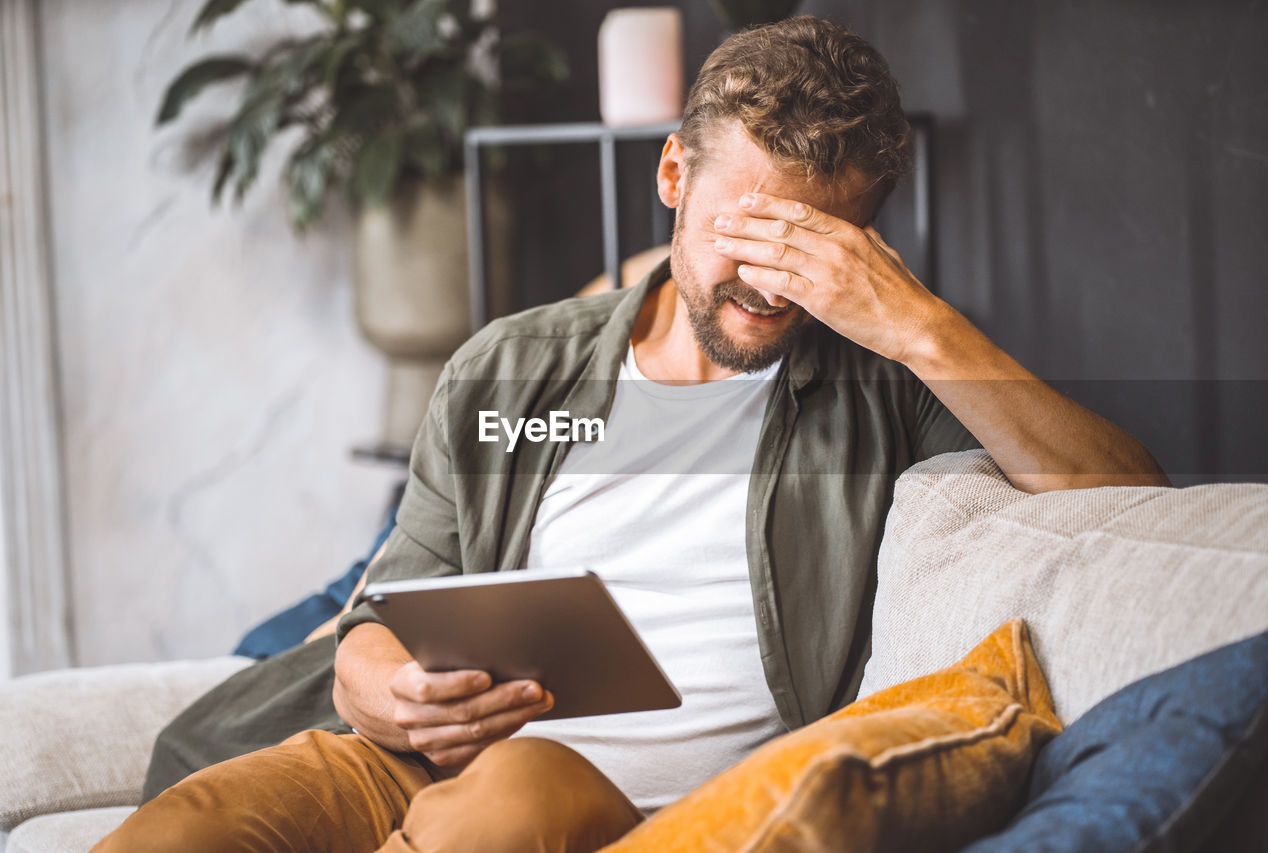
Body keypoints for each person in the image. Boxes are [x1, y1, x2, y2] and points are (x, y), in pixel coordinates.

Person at [96, 16, 1166, 853]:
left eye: (804, 248)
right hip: (424, 762)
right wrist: (383, 686)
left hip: (618, 801)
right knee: (196, 822)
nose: (759, 285)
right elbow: (382, 606)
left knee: (506, 803)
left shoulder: (880, 380)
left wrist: (915, 323)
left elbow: (1121, 492)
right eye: (735, 233)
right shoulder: (512, 366)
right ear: (670, 179)